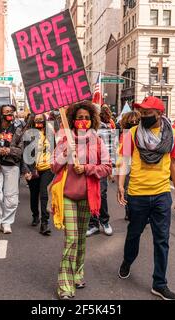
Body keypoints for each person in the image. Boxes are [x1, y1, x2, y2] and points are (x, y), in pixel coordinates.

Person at [117, 96, 175, 301]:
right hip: (137, 194)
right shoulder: (131, 134)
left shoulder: (171, 134)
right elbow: (125, 161)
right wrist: (121, 185)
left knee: (162, 240)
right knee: (133, 234)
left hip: (161, 194)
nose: (143, 116)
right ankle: (127, 261)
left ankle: (159, 283)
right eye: (142, 113)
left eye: (147, 113)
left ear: (159, 114)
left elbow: (174, 163)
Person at [51, 101, 112, 300]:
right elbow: (53, 167)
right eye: (79, 118)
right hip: (67, 196)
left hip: (88, 197)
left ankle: (78, 273)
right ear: (73, 120)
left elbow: (107, 168)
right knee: (71, 239)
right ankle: (65, 285)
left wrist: (86, 169)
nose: (83, 121)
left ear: (91, 120)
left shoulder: (98, 142)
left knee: (81, 239)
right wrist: (66, 153)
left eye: (86, 118)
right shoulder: (63, 141)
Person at [0, 104, 23, 235]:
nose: (10, 114)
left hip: (12, 166)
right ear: (1, 114)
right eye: (7, 112)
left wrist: (9, 150)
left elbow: (21, 150)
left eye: (11, 112)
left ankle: (7, 222)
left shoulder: (18, 130)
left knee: (11, 197)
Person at [22, 113, 54, 235]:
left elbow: (55, 149)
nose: (39, 121)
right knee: (34, 194)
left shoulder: (50, 133)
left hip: (47, 168)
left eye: (41, 119)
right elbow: (24, 154)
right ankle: (35, 215)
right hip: (33, 168)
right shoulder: (28, 134)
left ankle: (44, 223)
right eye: (36, 119)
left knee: (44, 193)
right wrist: (26, 170)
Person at [87, 104, 116, 237]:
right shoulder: (84, 131)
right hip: (86, 168)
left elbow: (112, 149)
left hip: (101, 167)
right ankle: (93, 224)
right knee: (90, 195)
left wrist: (112, 170)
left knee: (102, 194)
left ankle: (104, 221)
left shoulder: (107, 130)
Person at [118, 111, 141, 221]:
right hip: (127, 165)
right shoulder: (126, 134)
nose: (134, 123)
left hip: (139, 166)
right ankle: (129, 211)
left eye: (137, 121)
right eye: (132, 122)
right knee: (127, 189)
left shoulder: (142, 133)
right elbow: (123, 154)